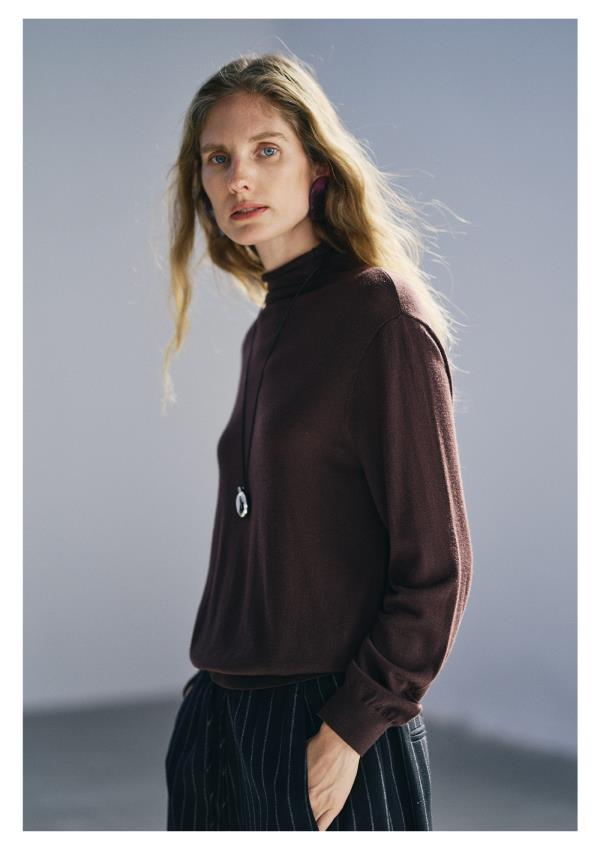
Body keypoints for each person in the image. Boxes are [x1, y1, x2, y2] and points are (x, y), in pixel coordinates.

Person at [162, 51, 473, 831]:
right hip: (222, 715)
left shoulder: (383, 318)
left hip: (326, 722)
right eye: (218, 158)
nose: (239, 178)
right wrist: (208, 709)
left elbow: (436, 567)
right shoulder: (270, 327)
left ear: (319, 168)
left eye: (266, 150)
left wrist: (351, 728)